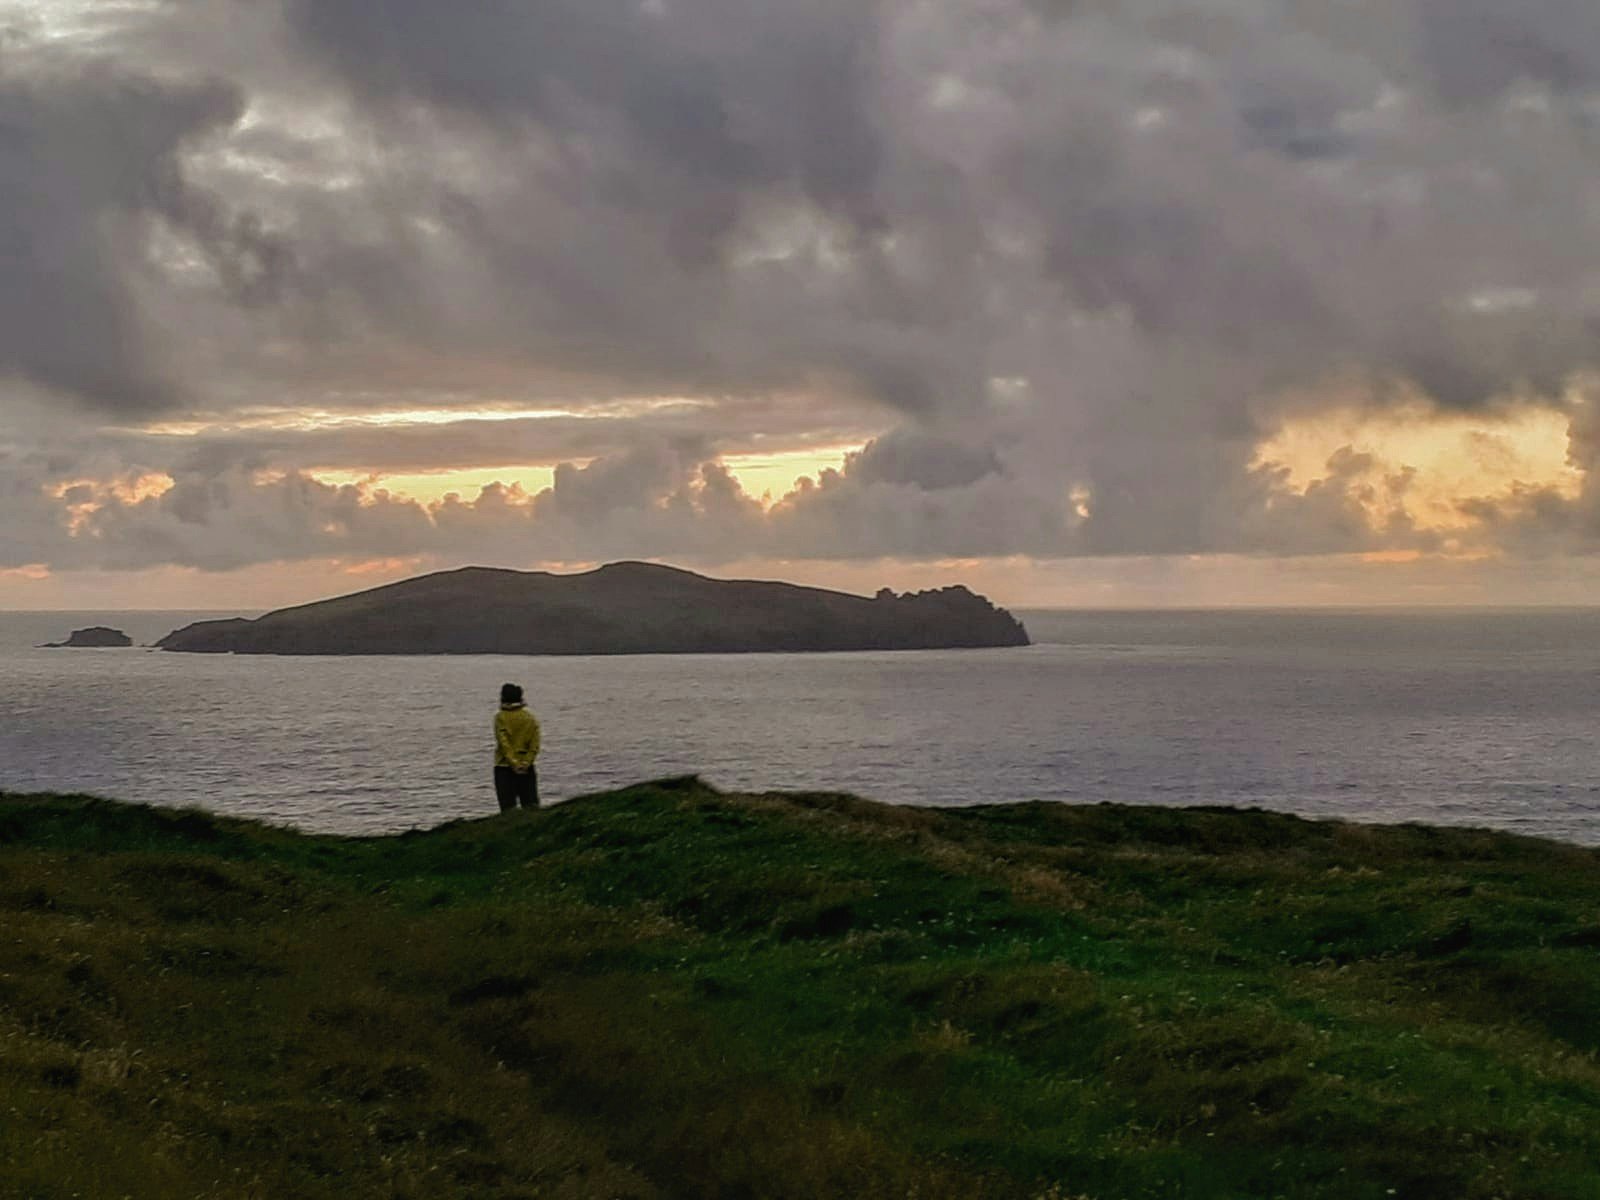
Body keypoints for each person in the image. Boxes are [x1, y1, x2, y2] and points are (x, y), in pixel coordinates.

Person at [493, 682, 541, 811]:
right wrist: (526, 762)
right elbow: (534, 745)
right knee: (531, 807)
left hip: (504, 768)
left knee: (508, 810)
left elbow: (504, 744)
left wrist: (514, 763)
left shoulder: (500, 717)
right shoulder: (529, 718)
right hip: (527, 768)